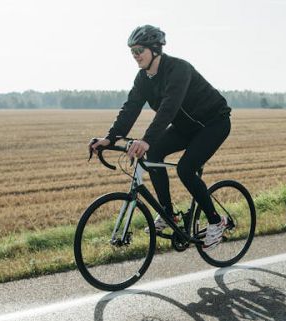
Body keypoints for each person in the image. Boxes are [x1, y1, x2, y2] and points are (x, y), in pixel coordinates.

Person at [89, 25, 232, 248]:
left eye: (139, 51)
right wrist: (110, 138)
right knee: (154, 152)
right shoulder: (143, 79)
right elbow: (131, 108)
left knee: (185, 169)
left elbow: (169, 107)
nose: (135, 56)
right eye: (132, 52)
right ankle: (168, 214)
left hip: (214, 123)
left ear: (155, 49)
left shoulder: (179, 69)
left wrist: (146, 140)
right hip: (186, 127)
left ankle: (216, 221)